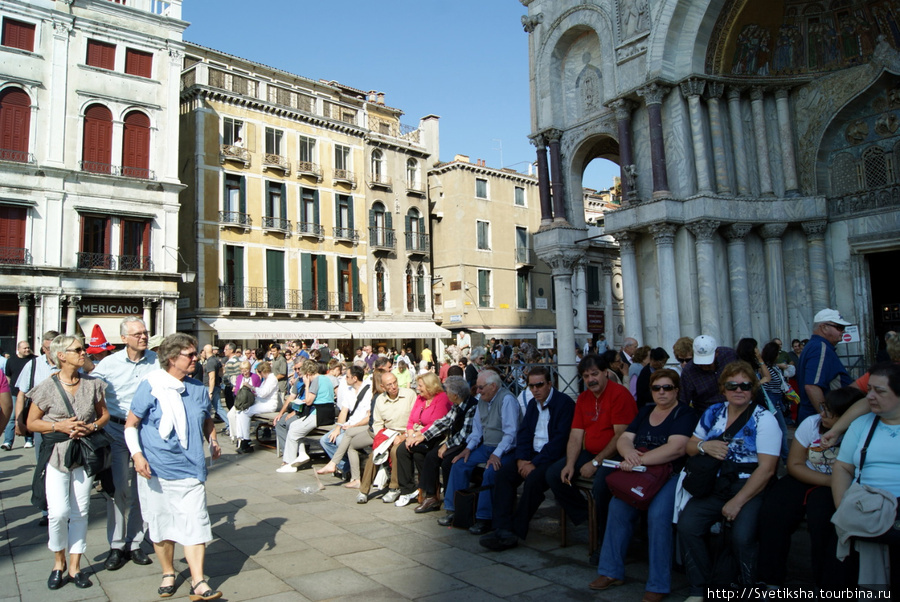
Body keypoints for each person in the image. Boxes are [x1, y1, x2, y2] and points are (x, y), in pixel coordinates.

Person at [125, 333, 222, 601]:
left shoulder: (198, 389)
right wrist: (137, 455)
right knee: (161, 524)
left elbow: (206, 420)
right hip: (156, 469)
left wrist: (212, 440)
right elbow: (131, 424)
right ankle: (168, 572)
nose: (196, 358)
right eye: (189, 355)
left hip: (191, 469)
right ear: (171, 359)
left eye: (195, 354)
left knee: (196, 523)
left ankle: (198, 581)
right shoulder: (151, 386)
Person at [677, 361, 780, 598]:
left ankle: (748, 587)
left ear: (752, 389)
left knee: (742, 536)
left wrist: (738, 501)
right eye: (732, 385)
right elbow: (690, 446)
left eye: (745, 385)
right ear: (723, 388)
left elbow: (767, 469)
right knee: (688, 525)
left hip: (749, 484)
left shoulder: (763, 419)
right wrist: (705, 445)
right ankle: (700, 587)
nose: (739, 389)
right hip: (716, 483)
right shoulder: (713, 412)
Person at [590, 369, 694, 599]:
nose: (662, 392)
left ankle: (658, 584)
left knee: (658, 516)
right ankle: (611, 571)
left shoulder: (684, 413)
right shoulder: (646, 411)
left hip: (670, 474)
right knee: (618, 507)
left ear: (676, 390)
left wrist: (639, 460)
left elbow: (676, 448)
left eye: (667, 387)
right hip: (639, 472)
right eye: (657, 388)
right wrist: (629, 456)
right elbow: (625, 438)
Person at [757, 387, 863, 588]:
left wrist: (836, 483)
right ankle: (769, 579)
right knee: (773, 511)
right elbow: (794, 465)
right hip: (809, 476)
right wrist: (830, 481)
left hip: (840, 486)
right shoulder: (811, 424)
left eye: (830, 413)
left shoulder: (858, 432)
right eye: (824, 408)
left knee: (823, 519)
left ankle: (826, 584)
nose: (823, 414)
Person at [27, 335, 109, 590]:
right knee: (58, 513)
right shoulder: (47, 387)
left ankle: (75, 566)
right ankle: (58, 562)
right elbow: (31, 423)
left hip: (85, 453)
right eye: (77, 350)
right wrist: (58, 425)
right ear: (61, 356)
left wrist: (92, 426)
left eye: (82, 349)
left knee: (80, 511)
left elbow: (104, 414)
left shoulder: (93, 384)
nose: (83, 352)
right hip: (57, 455)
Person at [546, 354, 637, 551]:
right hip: (593, 452)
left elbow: (621, 436)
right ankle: (588, 518)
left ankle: (604, 541)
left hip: (617, 454)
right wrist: (570, 464)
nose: (590, 380)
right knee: (555, 474)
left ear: (605, 373)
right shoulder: (583, 398)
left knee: (602, 486)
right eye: (586, 376)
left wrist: (596, 463)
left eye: (594, 374)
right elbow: (576, 435)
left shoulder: (620, 394)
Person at [479, 366, 574, 550]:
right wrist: (522, 459)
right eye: (531, 386)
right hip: (531, 455)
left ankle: (515, 531)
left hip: (551, 457)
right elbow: (523, 434)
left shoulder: (564, 404)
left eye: (539, 385)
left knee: (534, 481)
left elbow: (559, 441)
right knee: (503, 475)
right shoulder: (532, 404)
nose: (535, 390)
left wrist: (534, 464)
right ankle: (501, 527)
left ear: (549, 384)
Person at [88, 318, 157, 570]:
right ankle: (116, 545)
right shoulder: (109, 363)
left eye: (145, 332)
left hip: (146, 431)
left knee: (143, 489)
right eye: (137, 333)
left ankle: (136, 542)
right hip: (116, 430)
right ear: (124, 338)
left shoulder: (156, 361)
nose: (143, 337)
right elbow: (90, 388)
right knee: (118, 489)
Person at [831, 362, 900, 588]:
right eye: (868, 389)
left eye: (879, 391)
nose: (869, 396)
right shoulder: (862, 424)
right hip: (867, 504)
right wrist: (844, 507)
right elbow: (842, 467)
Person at [437, 369, 520, 534]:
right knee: (459, 464)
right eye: (477, 387)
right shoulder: (481, 400)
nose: (478, 390)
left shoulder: (507, 400)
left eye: (481, 387)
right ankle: (454, 509)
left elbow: (511, 433)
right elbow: (477, 431)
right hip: (486, 447)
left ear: (493, 386)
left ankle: (484, 517)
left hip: (505, 448)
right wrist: (468, 449)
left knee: (491, 472)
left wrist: (498, 453)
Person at [410, 376, 479, 513]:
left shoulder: (472, 406)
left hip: (468, 445)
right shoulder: (457, 405)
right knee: (431, 456)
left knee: (448, 462)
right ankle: (431, 497)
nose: (445, 394)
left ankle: (451, 502)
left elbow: (465, 434)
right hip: (456, 442)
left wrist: (446, 445)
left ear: (455, 395)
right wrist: (423, 435)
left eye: (447, 391)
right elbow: (444, 422)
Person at [394, 373, 452, 507]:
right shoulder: (420, 399)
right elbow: (411, 420)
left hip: (435, 437)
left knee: (419, 454)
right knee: (402, 450)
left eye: (420, 385)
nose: (418, 388)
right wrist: (409, 435)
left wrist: (415, 436)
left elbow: (435, 424)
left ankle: (429, 489)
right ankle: (407, 489)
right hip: (416, 435)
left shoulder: (441, 398)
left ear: (430, 386)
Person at [356, 371, 416, 502]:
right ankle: (364, 490)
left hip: (407, 433)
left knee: (396, 451)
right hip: (388, 434)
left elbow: (415, 420)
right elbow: (377, 423)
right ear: (383, 387)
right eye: (389, 385)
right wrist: (386, 436)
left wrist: (404, 436)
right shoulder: (380, 399)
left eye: (395, 382)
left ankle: (394, 487)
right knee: (375, 454)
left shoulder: (409, 395)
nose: (394, 386)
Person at [276, 359, 335, 472]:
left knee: (293, 432)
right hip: (326, 412)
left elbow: (308, 401)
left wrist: (307, 385)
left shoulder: (316, 380)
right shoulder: (325, 378)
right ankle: (301, 453)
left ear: (307, 374)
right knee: (294, 426)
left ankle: (289, 463)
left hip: (318, 414)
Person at [796, 308, 853, 423]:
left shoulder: (816, 346)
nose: (843, 331)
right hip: (820, 420)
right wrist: (827, 416)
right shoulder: (820, 347)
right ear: (824, 327)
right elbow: (812, 386)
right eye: (839, 327)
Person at [318, 365, 371, 479]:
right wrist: (338, 428)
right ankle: (346, 466)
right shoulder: (349, 390)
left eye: (347, 376)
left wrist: (353, 426)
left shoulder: (368, 391)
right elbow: (343, 412)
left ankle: (347, 466)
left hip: (361, 426)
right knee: (325, 440)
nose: (345, 379)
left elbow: (369, 417)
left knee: (340, 440)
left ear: (355, 378)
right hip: (348, 425)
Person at [679, 334, 738, 415]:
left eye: (708, 363)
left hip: (736, 407)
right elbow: (683, 401)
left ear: (716, 352)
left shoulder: (729, 355)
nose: (704, 366)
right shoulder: (689, 371)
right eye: (700, 362)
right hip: (707, 414)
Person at [232, 361, 279, 454]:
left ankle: (246, 441)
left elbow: (263, 393)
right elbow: (260, 393)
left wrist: (251, 387)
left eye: (259, 372)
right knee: (241, 411)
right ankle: (242, 438)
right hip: (262, 402)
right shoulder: (266, 379)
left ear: (263, 371)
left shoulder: (272, 379)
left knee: (246, 412)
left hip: (269, 404)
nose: (259, 374)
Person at [3, 340, 35, 450]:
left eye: (28, 347)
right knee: (11, 417)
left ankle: (29, 439)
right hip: (15, 392)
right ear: (19, 349)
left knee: (28, 416)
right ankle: (7, 441)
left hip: (30, 392)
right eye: (24, 348)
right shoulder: (11, 360)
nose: (27, 350)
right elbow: (8, 377)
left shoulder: (34, 359)